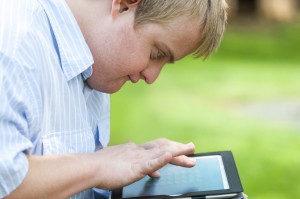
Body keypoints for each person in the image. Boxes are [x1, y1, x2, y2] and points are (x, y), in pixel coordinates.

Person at [0, 0, 227, 198]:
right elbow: (5, 182)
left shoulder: (97, 65)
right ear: (124, 5)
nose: (152, 77)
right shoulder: (14, 43)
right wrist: (99, 166)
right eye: (156, 54)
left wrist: (129, 162)